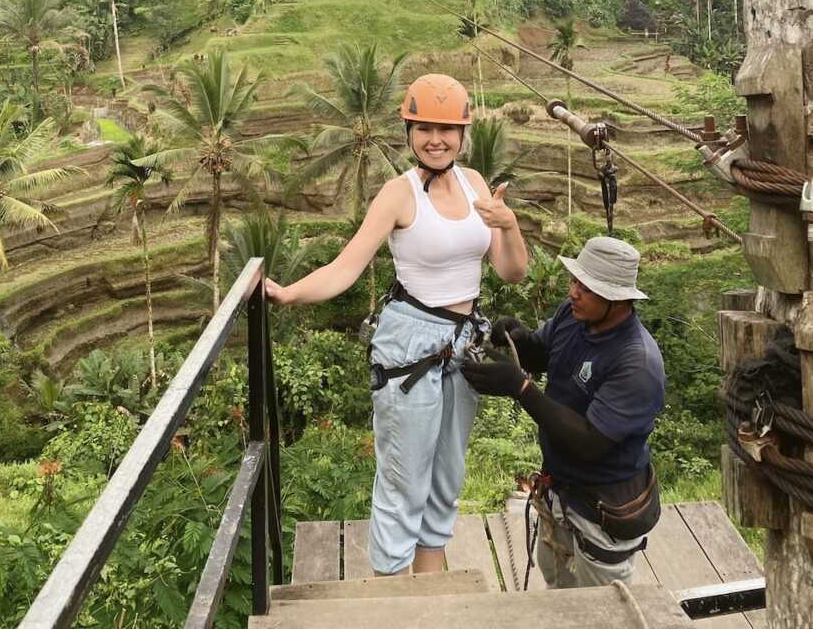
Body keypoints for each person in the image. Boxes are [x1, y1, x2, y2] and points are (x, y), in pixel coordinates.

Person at [266, 73, 529, 576]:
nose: (436, 139)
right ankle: (392, 594)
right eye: (424, 127)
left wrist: (509, 225)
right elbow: (346, 267)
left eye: (447, 129)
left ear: (462, 134)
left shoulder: (477, 185)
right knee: (404, 480)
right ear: (408, 132)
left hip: (465, 342)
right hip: (410, 345)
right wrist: (289, 293)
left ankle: (430, 594)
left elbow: (511, 272)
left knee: (446, 477)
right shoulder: (398, 194)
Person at [461, 235, 665, 589]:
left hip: (602, 509)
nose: (573, 292)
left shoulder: (637, 363)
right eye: (575, 281)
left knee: (603, 611)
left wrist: (520, 389)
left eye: (586, 287)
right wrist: (520, 339)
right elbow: (543, 351)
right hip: (561, 492)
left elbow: (589, 441)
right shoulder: (574, 317)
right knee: (558, 592)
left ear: (617, 299)